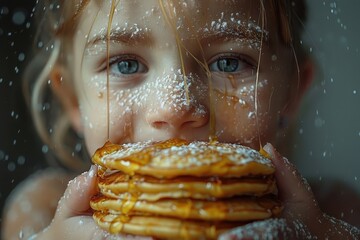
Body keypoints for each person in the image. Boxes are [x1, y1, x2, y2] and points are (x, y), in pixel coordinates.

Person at [2, 0, 359, 239]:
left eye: (228, 63)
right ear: (73, 101)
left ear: (290, 95)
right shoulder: (42, 213)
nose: (176, 106)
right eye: (125, 64)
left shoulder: (334, 213)